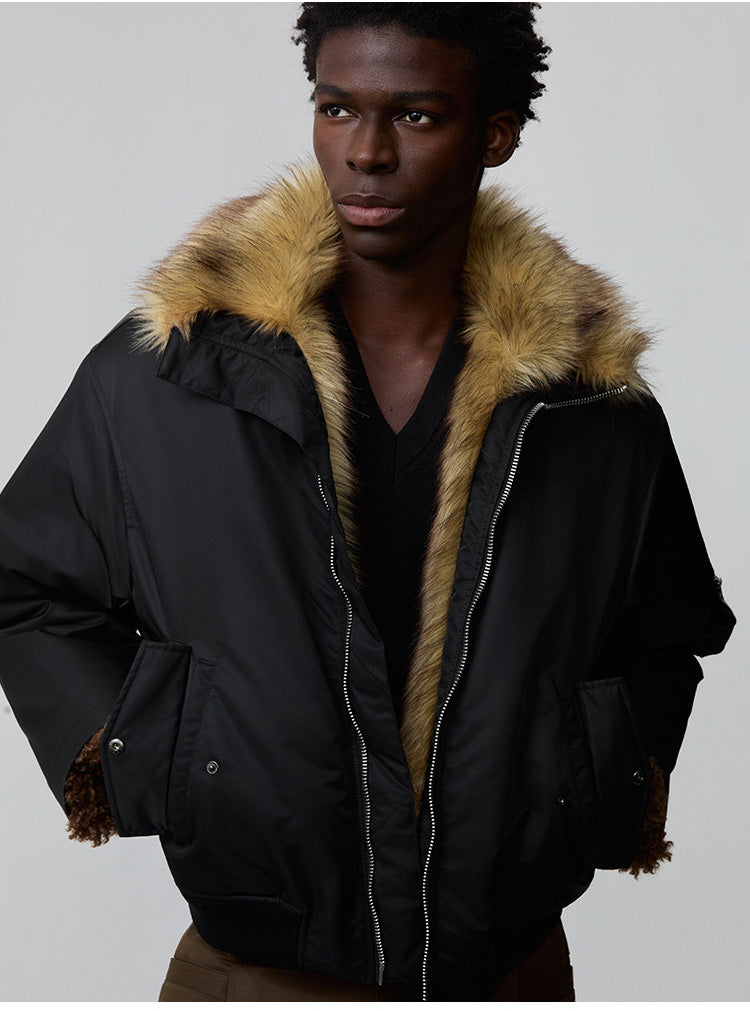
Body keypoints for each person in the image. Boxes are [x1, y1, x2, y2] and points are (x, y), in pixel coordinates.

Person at [0, 2, 736, 1002]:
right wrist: (152, 754)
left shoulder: (586, 406)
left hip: (510, 972)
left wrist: (590, 773)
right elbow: (26, 580)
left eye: (417, 116)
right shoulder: (173, 374)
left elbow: (667, 633)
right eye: (337, 107)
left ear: (495, 134)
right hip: (251, 972)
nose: (366, 153)